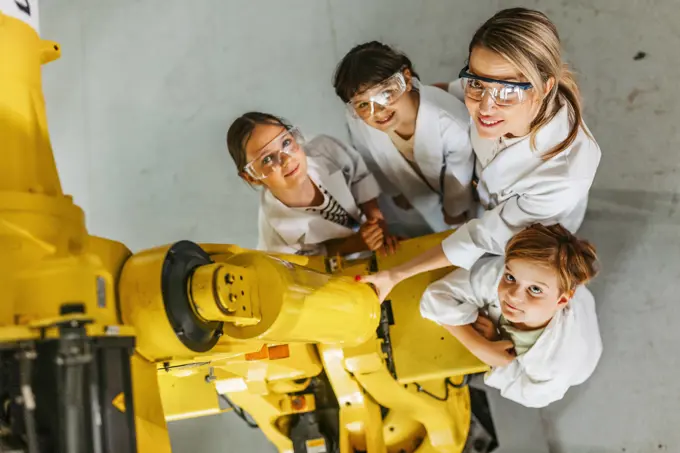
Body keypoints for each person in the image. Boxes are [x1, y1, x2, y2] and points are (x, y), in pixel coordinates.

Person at [360, 7, 601, 298]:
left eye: (507, 91)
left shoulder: (563, 175)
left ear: (544, 88)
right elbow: (450, 92)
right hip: (485, 195)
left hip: (533, 231)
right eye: (477, 82)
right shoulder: (486, 89)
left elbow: (481, 237)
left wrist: (397, 274)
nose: (485, 108)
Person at [419, 223, 601, 408]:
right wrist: (479, 345)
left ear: (562, 301)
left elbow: (531, 395)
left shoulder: (556, 363)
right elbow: (435, 297)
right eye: (511, 278)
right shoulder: (516, 271)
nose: (513, 295)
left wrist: (499, 362)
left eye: (535, 289)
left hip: (582, 357)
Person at [333, 41, 475, 238]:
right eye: (364, 104)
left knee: (463, 236)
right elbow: (369, 156)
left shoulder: (449, 121)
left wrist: (454, 211)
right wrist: (394, 191)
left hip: (463, 201)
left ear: (406, 79)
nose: (378, 111)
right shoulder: (359, 121)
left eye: (385, 94)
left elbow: (459, 176)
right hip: (411, 195)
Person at [226, 112, 397, 256]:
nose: (286, 159)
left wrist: (376, 220)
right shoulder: (277, 237)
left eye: (286, 142)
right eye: (268, 159)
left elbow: (359, 176)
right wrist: (357, 243)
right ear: (252, 177)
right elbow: (312, 264)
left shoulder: (323, 148)